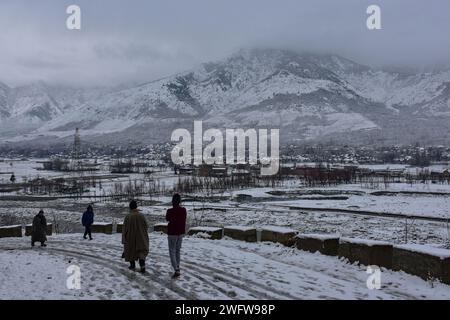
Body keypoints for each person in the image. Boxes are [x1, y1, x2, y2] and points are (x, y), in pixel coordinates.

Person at [122, 200, 149, 273]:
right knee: (141, 251)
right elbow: (146, 226)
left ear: (130, 207)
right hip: (141, 236)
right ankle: (142, 265)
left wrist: (123, 239)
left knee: (130, 250)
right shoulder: (141, 215)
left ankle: (132, 265)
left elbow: (124, 229)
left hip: (130, 237)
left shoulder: (128, 217)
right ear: (136, 206)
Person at [165, 193, 187, 278]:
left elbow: (167, 219)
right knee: (178, 251)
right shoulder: (183, 210)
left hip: (172, 233)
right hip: (181, 233)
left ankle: (176, 269)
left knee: (172, 251)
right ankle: (177, 266)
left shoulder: (170, 211)